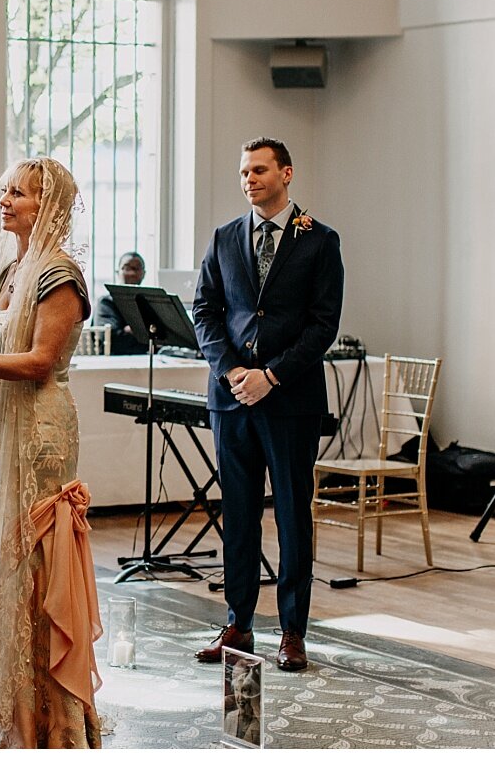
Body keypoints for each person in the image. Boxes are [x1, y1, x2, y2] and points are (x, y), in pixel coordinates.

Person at [0, 157, 103, 748]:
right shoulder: (7, 269)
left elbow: (39, 362)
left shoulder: (59, 275)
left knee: (28, 560)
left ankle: (41, 721)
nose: (5, 200)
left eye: (20, 194)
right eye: (3, 190)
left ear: (50, 205)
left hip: (39, 433)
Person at [191, 137, 344, 673]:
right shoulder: (225, 237)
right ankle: (238, 623)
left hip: (290, 400)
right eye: (243, 172)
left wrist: (271, 376)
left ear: (287, 173)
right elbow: (204, 311)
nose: (249, 179)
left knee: (292, 517)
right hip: (232, 399)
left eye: (259, 170)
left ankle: (292, 632)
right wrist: (234, 372)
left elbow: (324, 324)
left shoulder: (320, 241)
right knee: (237, 515)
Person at [93, 251, 149, 355]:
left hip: (145, 360)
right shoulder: (106, 303)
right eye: (127, 268)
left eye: (136, 269)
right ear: (117, 272)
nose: (132, 273)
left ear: (144, 273)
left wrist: (132, 331)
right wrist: (144, 335)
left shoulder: (149, 304)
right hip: (114, 363)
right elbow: (111, 339)